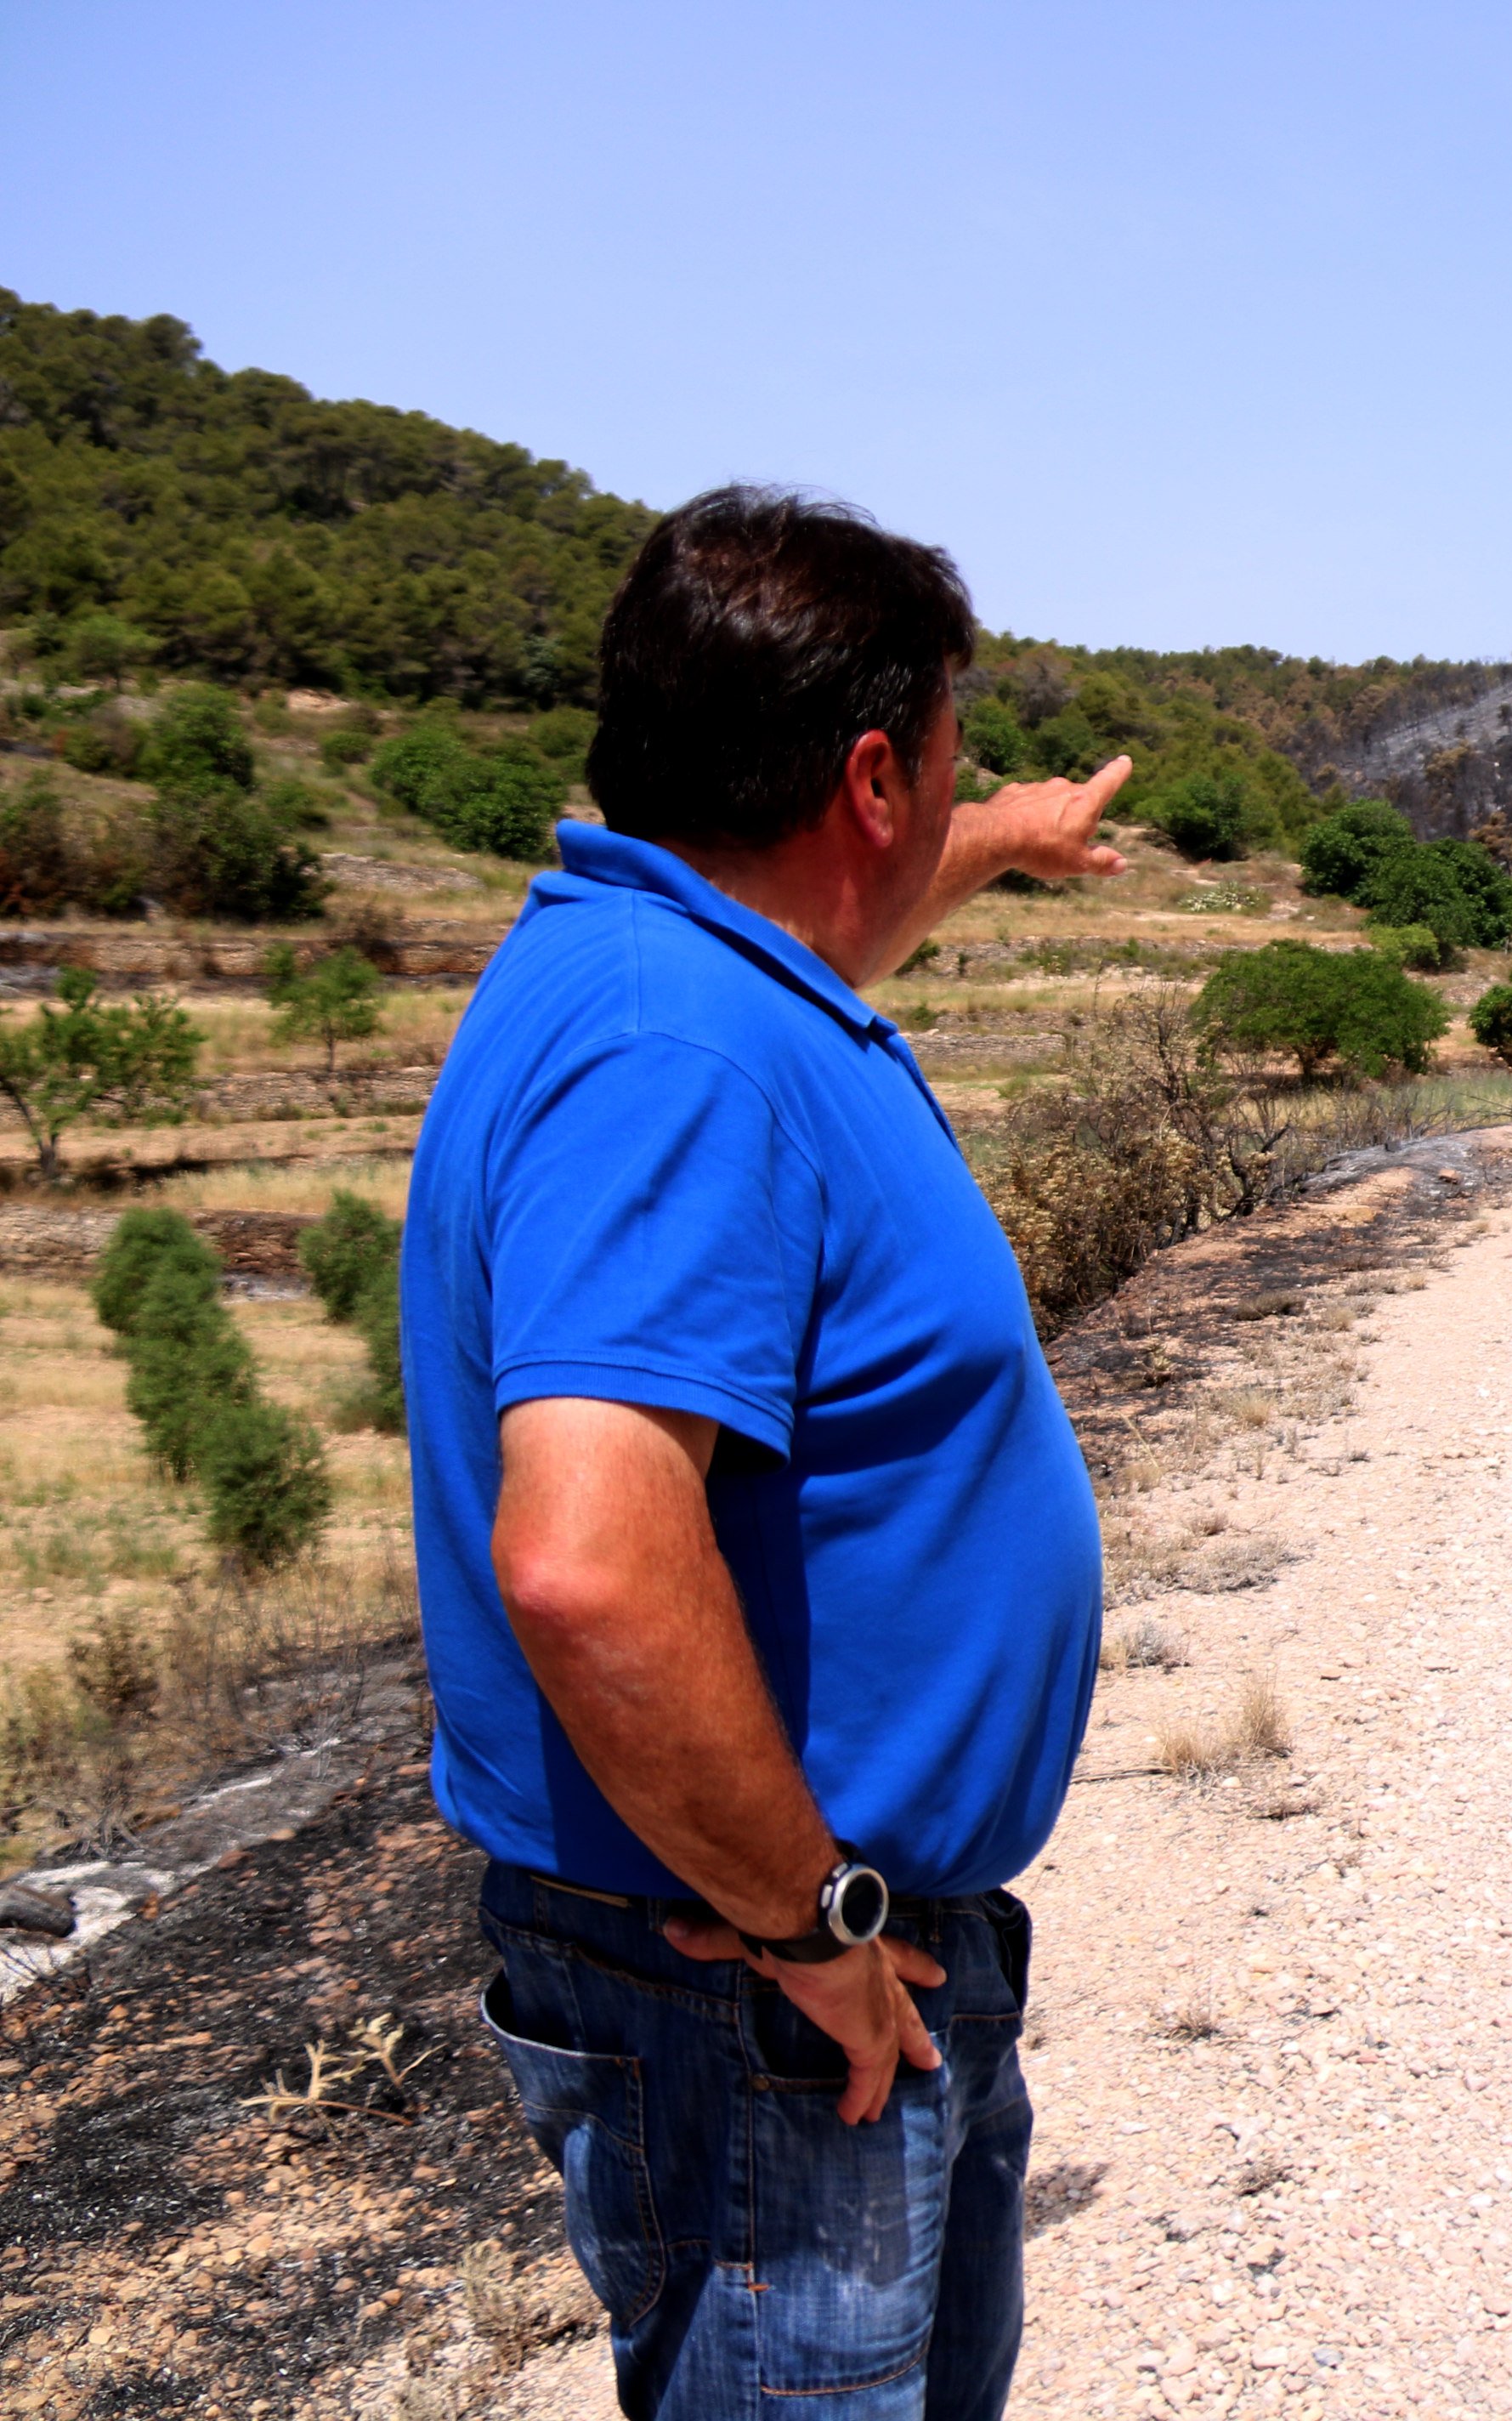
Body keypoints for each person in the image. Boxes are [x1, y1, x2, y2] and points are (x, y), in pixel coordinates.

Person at [402, 486, 1132, 2419]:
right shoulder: (684, 1051)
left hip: (804, 1954)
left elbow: (838, 902)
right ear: (868, 774)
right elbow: (586, 1559)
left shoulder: (694, 965)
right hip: (759, 1976)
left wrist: (1003, 835)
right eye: (945, 769)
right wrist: (818, 1923)